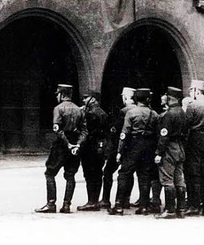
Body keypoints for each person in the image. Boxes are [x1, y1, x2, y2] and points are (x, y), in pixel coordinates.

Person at [35, 84, 87, 214]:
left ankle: (51, 203)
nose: (57, 96)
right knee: (70, 175)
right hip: (75, 143)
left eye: (57, 94)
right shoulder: (79, 110)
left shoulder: (58, 108)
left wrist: (67, 143)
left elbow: (57, 129)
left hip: (61, 144)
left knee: (50, 172)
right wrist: (77, 144)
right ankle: (66, 205)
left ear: (62, 94)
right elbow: (85, 131)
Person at [109, 88, 159, 216]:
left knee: (124, 173)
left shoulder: (131, 113)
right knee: (144, 175)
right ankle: (144, 206)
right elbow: (157, 134)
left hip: (133, 146)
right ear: (148, 99)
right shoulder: (154, 114)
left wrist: (120, 150)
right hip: (149, 147)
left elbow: (124, 133)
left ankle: (119, 205)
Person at [183, 79, 204, 216]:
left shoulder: (192, 106)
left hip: (195, 139)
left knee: (195, 173)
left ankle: (194, 205)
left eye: (192, 90)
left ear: (196, 91)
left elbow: (187, 125)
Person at [99, 86, 136, 209]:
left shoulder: (123, 111)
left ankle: (106, 199)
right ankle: (126, 199)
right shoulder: (139, 110)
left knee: (108, 171)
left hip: (119, 147)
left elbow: (116, 130)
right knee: (128, 174)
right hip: (132, 148)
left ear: (125, 97)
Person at [155, 86, 187, 219]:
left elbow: (164, 136)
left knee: (167, 179)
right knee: (179, 180)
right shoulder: (182, 112)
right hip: (180, 148)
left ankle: (170, 210)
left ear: (169, 98)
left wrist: (159, 153)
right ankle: (181, 209)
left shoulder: (169, 114)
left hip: (170, 149)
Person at [77, 91, 109, 211]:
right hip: (100, 146)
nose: (84, 100)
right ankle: (95, 200)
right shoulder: (103, 113)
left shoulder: (90, 113)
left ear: (93, 99)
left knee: (89, 174)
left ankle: (92, 201)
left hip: (89, 147)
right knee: (98, 174)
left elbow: (86, 131)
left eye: (86, 98)